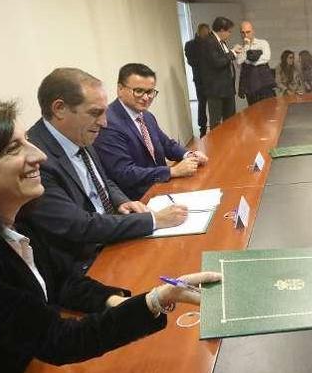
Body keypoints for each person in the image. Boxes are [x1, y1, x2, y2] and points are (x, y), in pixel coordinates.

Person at [0, 97, 221, 373]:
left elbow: (64, 282)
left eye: (28, 142)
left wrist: (113, 300)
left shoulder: (10, 214)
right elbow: (58, 340)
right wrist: (156, 299)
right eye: (12, 149)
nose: (39, 156)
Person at [19, 68, 187, 274]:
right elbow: (77, 225)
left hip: (112, 235)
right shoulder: (38, 159)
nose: (104, 122)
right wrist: (154, 220)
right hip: (86, 262)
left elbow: (103, 179)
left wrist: (121, 201)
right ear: (59, 109)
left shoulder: (80, 132)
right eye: (95, 113)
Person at [93, 63, 209, 201]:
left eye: (150, 92)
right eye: (138, 91)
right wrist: (171, 171)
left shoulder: (146, 115)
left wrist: (189, 155)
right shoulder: (108, 122)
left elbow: (166, 144)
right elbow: (124, 173)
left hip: (161, 186)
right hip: (137, 198)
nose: (146, 97)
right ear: (120, 89)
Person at [199, 16, 238, 129]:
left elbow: (225, 58)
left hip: (227, 88)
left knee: (230, 119)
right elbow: (217, 62)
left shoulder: (222, 42)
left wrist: (233, 53)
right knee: (216, 122)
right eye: (229, 31)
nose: (230, 34)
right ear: (221, 30)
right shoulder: (209, 41)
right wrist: (233, 53)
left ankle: (230, 144)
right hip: (216, 90)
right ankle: (217, 145)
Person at [236, 21, 276, 104]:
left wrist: (249, 61)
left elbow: (266, 58)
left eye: (248, 32)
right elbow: (239, 62)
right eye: (243, 33)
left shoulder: (262, 43)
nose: (245, 35)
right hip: (250, 86)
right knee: (253, 113)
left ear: (253, 31)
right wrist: (246, 47)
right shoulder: (240, 47)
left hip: (264, 84)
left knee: (269, 110)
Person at [184, 22, 212, 136]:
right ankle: (202, 129)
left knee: (214, 105)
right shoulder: (190, 45)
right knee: (202, 104)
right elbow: (192, 61)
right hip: (200, 79)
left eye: (208, 33)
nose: (206, 35)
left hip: (213, 80)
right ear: (199, 32)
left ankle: (215, 127)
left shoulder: (211, 43)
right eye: (204, 33)